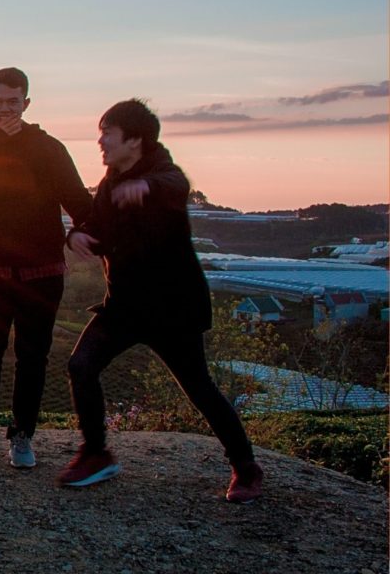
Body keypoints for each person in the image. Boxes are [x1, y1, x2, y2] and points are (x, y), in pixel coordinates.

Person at [60, 98, 264, 503]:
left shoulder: (162, 174)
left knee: (200, 388)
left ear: (134, 139)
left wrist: (145, 186)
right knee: (80, 366)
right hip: (124, 305)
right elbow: (101, 230)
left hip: (173, 309)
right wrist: (77, 235)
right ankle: (97, 453)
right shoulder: (110, 182)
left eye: (107, 133)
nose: (100, 141)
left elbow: (175, 186)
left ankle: (246, 468)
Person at [0, 67, 92, 469]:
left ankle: (22, 437)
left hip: (42, 274)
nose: (4, 110)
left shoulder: (49, 148)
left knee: (32, 358)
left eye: (12, 102)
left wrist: (81, 234)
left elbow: (80, 202)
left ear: (26, 103)